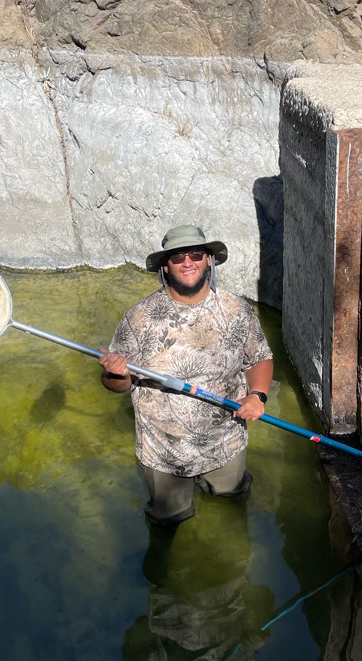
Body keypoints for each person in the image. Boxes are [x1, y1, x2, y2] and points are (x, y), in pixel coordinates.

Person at [99, 224, 274, 526]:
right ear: (165, 268)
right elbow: (116, 385)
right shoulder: (139, 318)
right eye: (178, 257)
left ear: (209, 260)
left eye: (195, 254)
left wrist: (258, 395)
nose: (187, 262)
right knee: (168, 521)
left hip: (225, 442)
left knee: (231, 506)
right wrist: (116, 374)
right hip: (163, 451)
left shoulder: (236, 310)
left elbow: (260, 357)